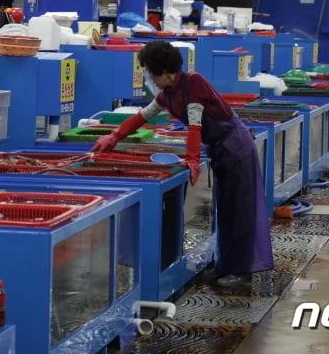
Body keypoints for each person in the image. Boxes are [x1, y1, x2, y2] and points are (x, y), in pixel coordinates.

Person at [92, 41, 273, 287]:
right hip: (220, 147)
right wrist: (114, 136)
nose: (152, 80)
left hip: (236, 147)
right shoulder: (168, 94)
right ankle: (226, 266)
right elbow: (142, 116)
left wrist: (192, 158)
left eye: (153, 73)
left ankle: (242, 271)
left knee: (239, 209)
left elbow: (195, 125)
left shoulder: (194, 83)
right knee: (226, 209)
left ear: (166, 71)